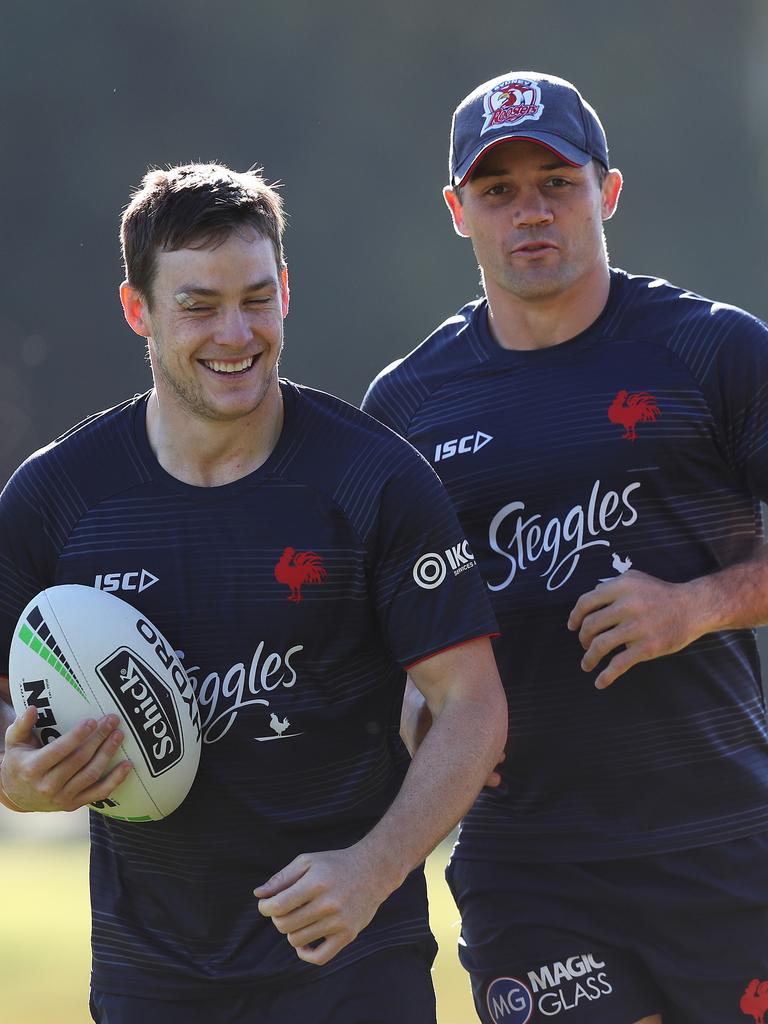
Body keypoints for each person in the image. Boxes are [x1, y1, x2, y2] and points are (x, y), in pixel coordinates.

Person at [0, 162, 507, 1024]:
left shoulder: (373, 479)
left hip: (352, 962)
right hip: (152, 974)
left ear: (285, 292)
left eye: (256, 298)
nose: (235, 333)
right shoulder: (56, 501)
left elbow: (473, 705)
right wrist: (19, 780)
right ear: (139, 313)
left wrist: (375, 867)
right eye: (198, 305)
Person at [362, 71, 768, 1024]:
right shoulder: (408, 407)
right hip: (530, 861)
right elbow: (386, 628)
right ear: (457, 210)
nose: (531, 211)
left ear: (608, 192)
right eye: (499, 191)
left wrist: (693, 607)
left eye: (558, 181)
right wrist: (418, 709)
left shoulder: (714, 351)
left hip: (722, 838)